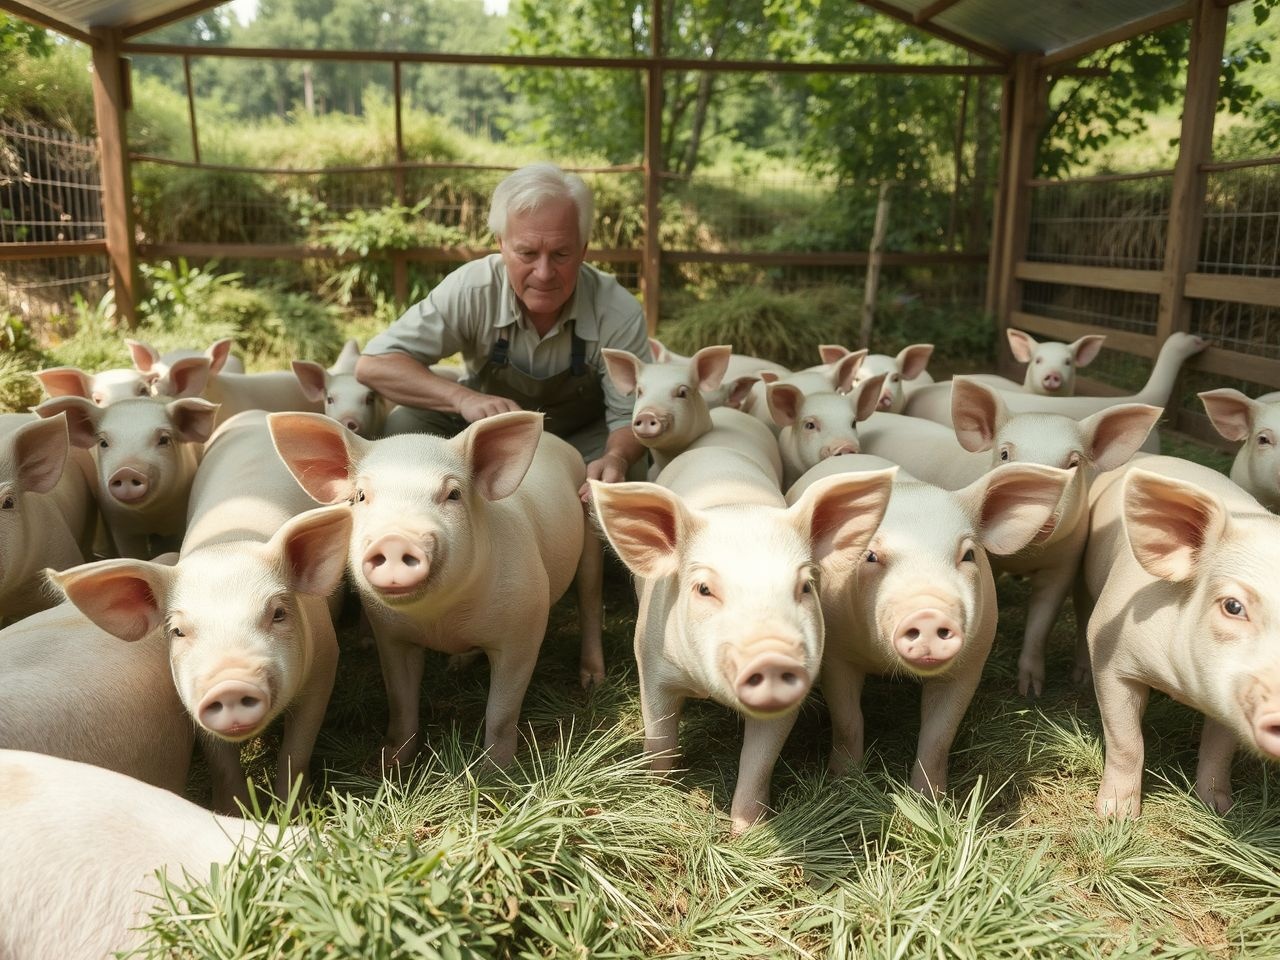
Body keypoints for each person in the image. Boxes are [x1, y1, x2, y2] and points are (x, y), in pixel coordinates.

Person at [355, 163, 651, 499]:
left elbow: (630, 417)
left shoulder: (617, 311)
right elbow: (374, 364)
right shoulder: (472, 289)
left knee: (628, 470)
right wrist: (463, 398)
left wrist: (617, 457)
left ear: (583, 249)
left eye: (561, 254)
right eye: (527, 253)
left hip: (581, 442)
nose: (543, 272)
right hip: (484, 438)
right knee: (403, 426)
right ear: (501, 245)